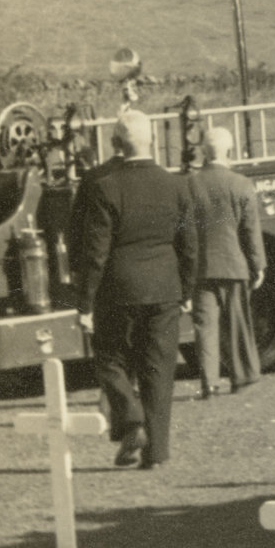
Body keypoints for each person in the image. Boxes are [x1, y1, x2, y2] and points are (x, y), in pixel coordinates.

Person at [73, 109, 197, 469]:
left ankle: (130, 419)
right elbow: (189, 246)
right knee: (159, 370)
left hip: (118, 290)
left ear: (116, 144)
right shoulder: (176, 185)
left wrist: (85, 304)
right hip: (165, 289)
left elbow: (96, 251)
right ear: (153, 141)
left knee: (110, 360)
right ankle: (156, 452)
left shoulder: (104, 186)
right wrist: (185, 291)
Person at [186, 125, 266, 400]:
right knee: (236, 324)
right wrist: (258, 265)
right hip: (234, 265)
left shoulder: (190, 184)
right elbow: (250, 231)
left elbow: (183, 231)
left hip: (202, 268)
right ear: (229, 151)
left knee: (205, 327)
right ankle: (242, 377)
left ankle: (209, 382)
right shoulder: (241, 184)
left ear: (203, 153)